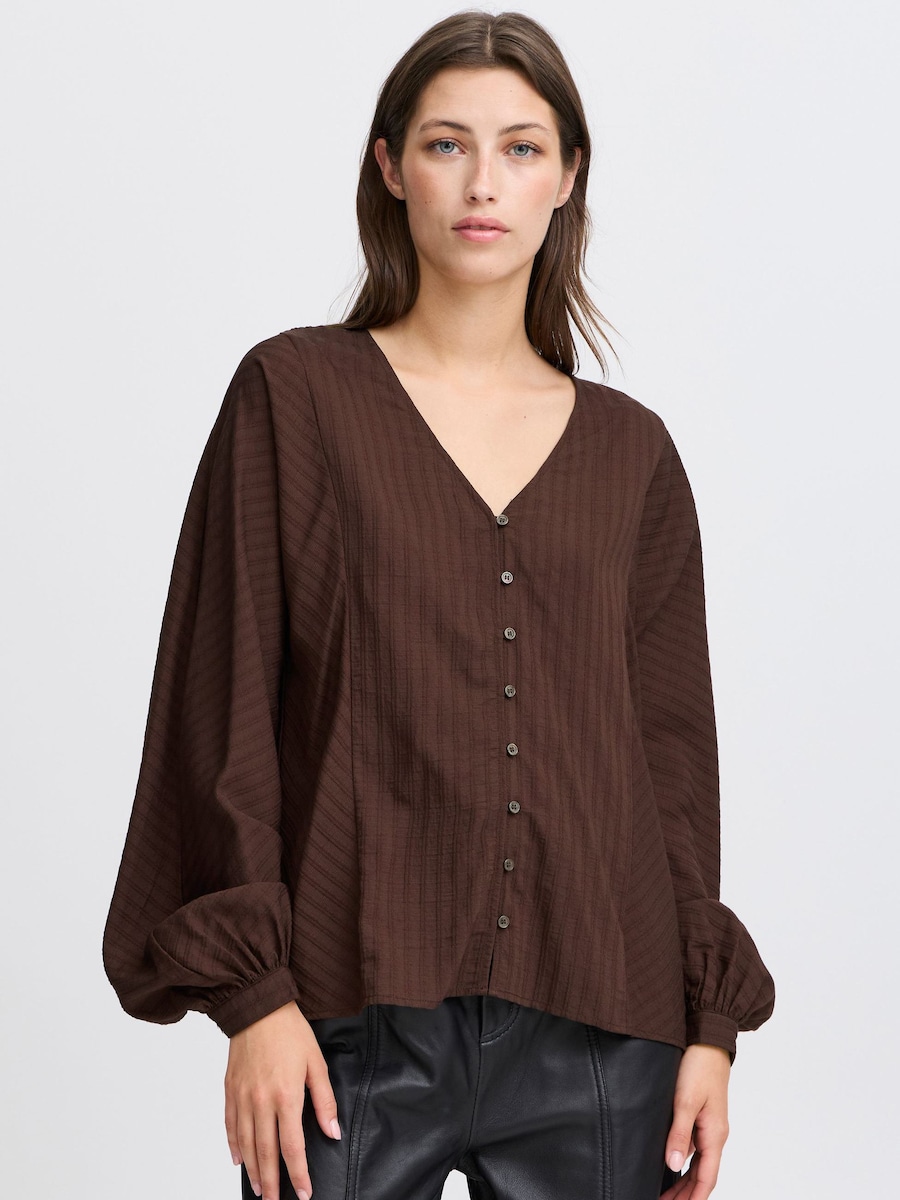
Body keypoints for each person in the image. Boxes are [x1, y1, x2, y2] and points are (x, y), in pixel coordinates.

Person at [102, 10, 776, 1200]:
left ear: (568, 176)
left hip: (605, 1039)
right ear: (390, 165)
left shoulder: (633, 457)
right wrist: (255, 1000)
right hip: (347, 1024)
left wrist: (709, 1030)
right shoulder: (296, 398)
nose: (483, 183)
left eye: (521, 148)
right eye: (446, 143)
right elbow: (223, 700)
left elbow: (673, 769)